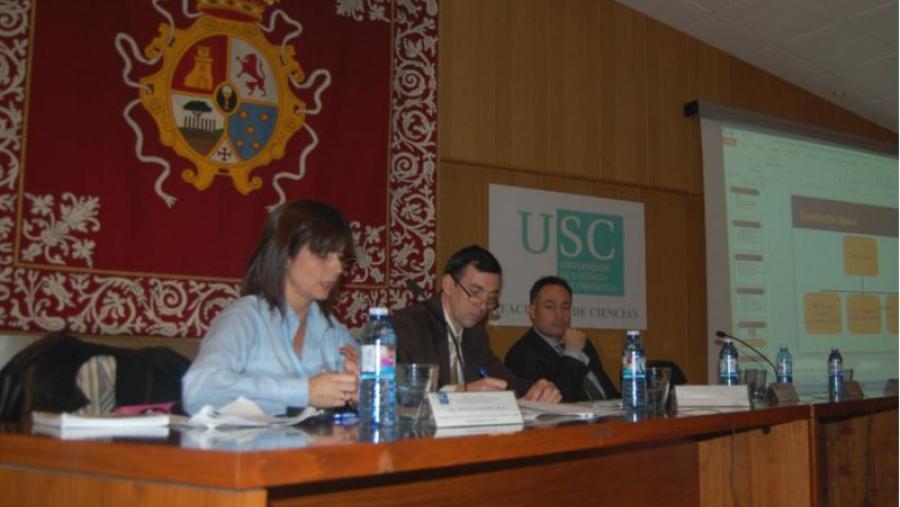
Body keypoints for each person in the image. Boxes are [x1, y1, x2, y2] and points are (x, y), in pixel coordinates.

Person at [182, 200, 359, 415]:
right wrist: (304, 392)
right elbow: (198, 390)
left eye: (341, 258)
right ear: (286, 256)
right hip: (244, 448)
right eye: (323, 255)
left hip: (312, 447)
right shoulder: (245, 318)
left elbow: (384, 395)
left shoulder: (331, 330)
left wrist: (362, 390)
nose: (338, 268)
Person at [393, 245, 561, 402]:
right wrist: (462, 393)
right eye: (475, 293)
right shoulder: (407, 327)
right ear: (449, 285)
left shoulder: (476, 333)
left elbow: (506, 382)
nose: (482, 306)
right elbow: (402, 394)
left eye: (490, 298)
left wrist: (538, 389)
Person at [505, 276, 620, 402]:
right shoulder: (520, 355)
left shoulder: (582, 343)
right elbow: (558, 401)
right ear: (532, 311)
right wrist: (573, 353)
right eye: (549, 307)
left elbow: (609, 391)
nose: (559, 315)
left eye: (565, 307)